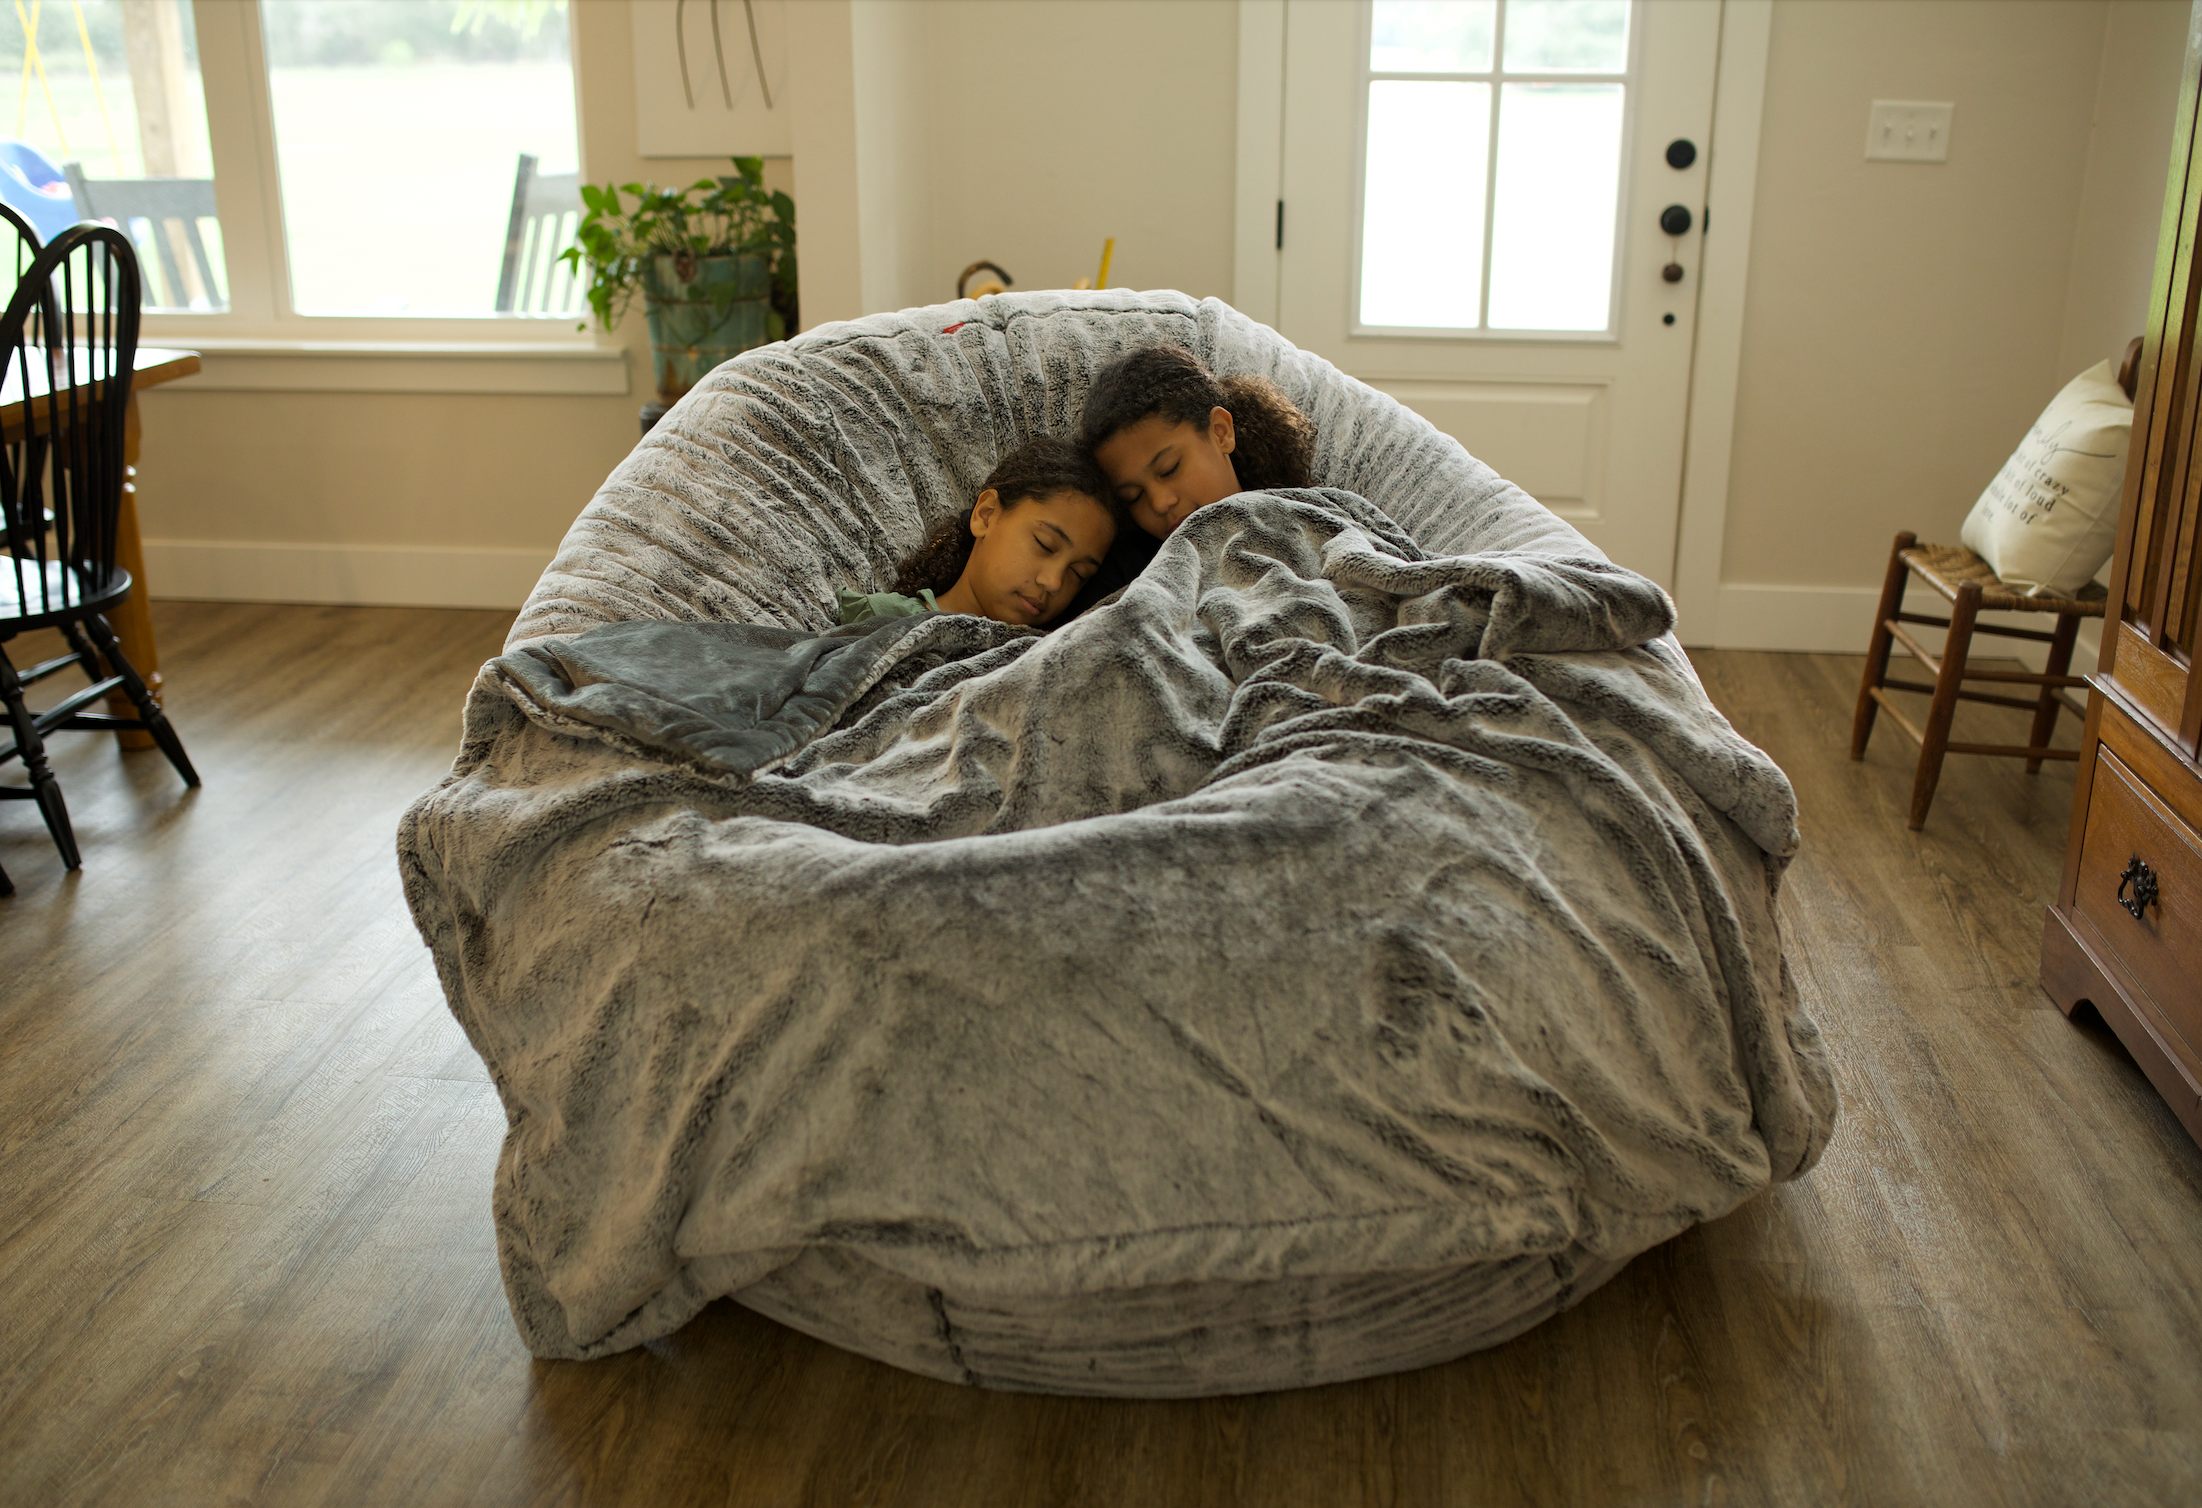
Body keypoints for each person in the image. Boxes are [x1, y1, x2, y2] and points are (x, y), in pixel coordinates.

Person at [1063, 344, 1318, 612]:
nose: (1160, 503)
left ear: (1221, 432)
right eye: (1133, 497)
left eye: (1169, 469)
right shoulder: (1124, 576)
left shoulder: (1306, 518)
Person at [837, 437, 1122, 630]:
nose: (1054, 583)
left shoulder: (1043, 659)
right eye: (1044, 544)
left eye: (1079, 573)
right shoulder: (881, 619)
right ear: (985, 514)